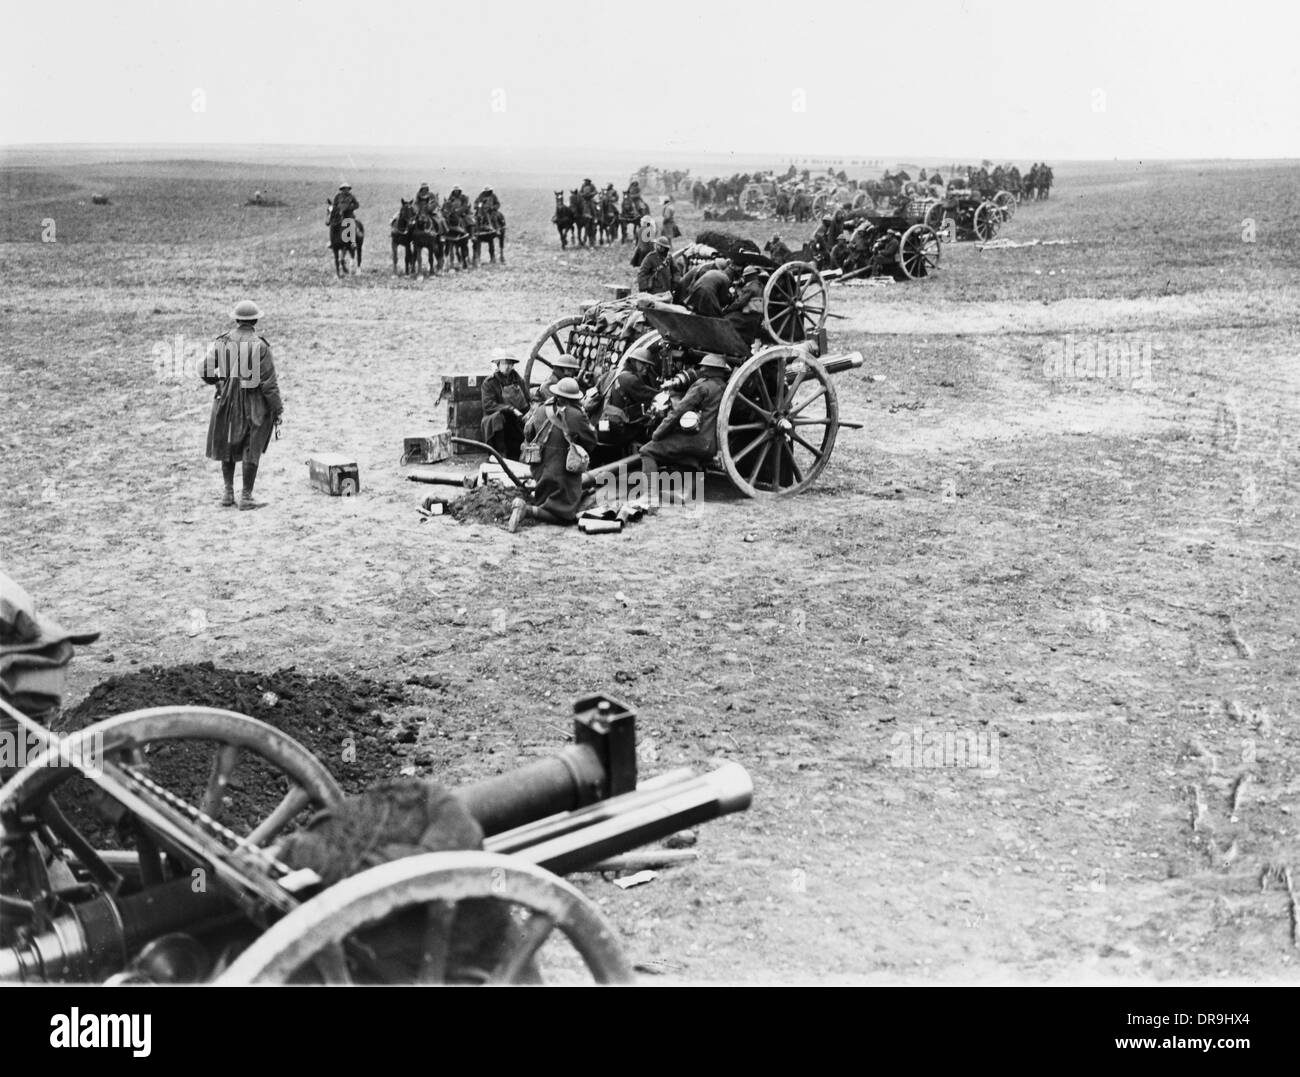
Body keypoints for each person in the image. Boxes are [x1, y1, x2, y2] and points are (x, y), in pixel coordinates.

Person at [200, 299, 283, 509]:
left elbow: (203, 369)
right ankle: (246, 496)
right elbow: (269, 384)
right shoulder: (260, 346)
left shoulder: (223, 342)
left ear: (236, 320)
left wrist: (219, 382)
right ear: (255, 320)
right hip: (253, 401)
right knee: (251, 445)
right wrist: (277, 409)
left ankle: (228, 493)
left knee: (227, 442)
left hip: (226, 400)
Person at [509, 378, 597, 531]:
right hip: (562, 474)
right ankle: (527, 510)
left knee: (545, 498)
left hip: (539, 471)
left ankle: (536, 506)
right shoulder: (576, 415)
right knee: (565, 517)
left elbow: (529, 434)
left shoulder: (542, 409)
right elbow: (591, 441)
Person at [639, 353, 730, 476]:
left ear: (708, 369)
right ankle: (685, 488)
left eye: (703, 367)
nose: (701, 369)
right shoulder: (725, 389)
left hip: (696, 441)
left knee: (647, 450)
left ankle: (650, 493)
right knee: (685, 457)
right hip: (712, 444)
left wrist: (658, 433)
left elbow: (677, 412)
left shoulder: (702, 387)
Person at [597, 345, 660, 456]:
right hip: (616, 429)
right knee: (646, 430)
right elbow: (650, 395)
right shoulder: (630, 380)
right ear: (634, 361)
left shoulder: (613, 373)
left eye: (648, 366)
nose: (646, 369)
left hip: (602, 423)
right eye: (643, 364)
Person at [480, 351, 530, 461]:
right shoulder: (489, 383)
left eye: (510, 364)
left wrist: (529, 414)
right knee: (497, 418)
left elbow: (527, 400)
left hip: (516, 418)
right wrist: (509, 409)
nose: (507, 367)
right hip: (494, 418)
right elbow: (488, 405)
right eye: (504, 363)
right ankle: (499, 454)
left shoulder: (518, 380)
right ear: (498, 365)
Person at [722, 266, 769, 345]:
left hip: (748, 316)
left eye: (746, 276)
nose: (744, 278)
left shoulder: (750, 287)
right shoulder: (760, 285)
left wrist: (728, 310)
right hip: (757, 316)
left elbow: (740, 302)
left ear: (749, 276)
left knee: (727, 319)